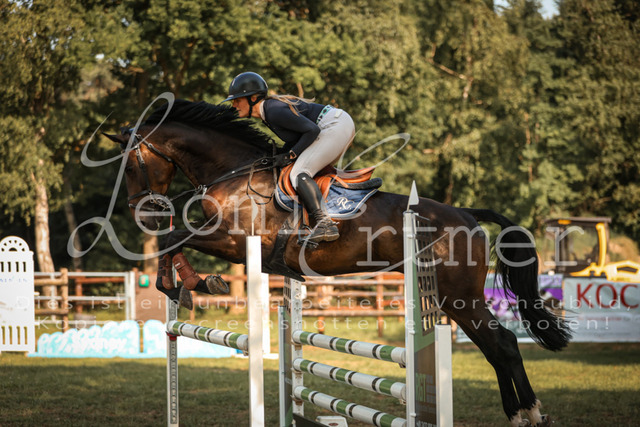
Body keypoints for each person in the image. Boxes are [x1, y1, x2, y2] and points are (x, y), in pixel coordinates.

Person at [223, 71, 355, 243]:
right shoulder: (268, 112)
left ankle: (325, 223)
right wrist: (282, 156)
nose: (233, 105)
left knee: (299, 173)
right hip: (336, 123)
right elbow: (296, 139)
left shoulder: (273, 111)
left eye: (237, 100)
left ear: (253, 98)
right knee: (299, 169)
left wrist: (290, 155)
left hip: (333, 126)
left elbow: (312, 131)